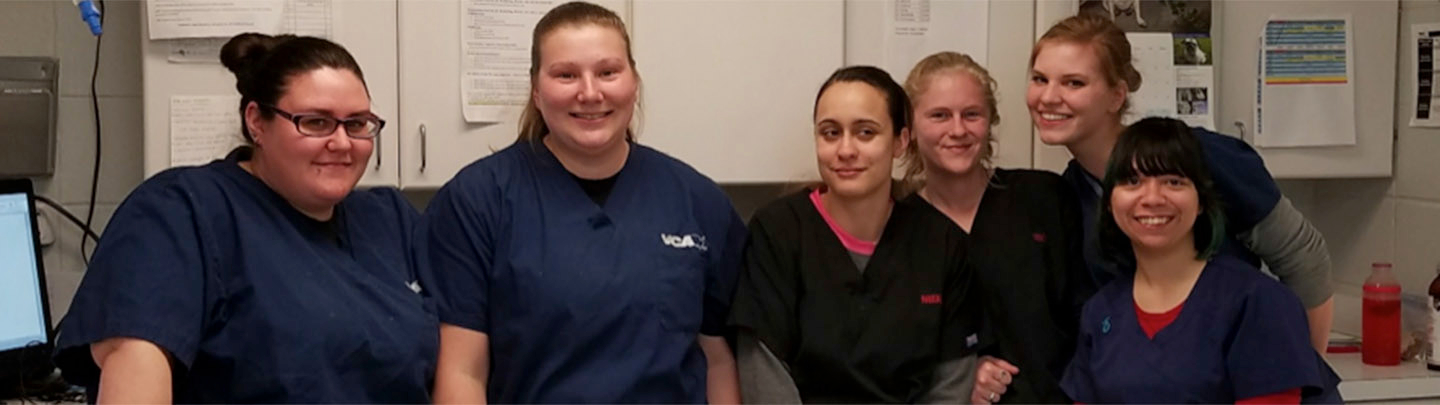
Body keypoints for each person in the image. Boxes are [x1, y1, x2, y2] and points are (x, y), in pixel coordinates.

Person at [52, 33, 436, 403]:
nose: (341, 142)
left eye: (357, 124)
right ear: (257, 122)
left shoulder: (390, 219)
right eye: (315, 122)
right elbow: (135, 366)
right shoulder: (181, 212)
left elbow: (456, 358)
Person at [422, 2, 744, 403]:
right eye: (566, 75)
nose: (590, 93)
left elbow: (718, 361)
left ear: (634, 82)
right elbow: (462, 372)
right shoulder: (477, 202)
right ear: (536, 91)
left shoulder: (697, 201)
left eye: (608, 72)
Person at [1025, 15, 1333, 351]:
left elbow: (1304, 257)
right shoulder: (1071, 193)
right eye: (1040, 79)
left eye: (1073, 83)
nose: (1048, 97)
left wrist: (1308, 370)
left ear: (1116, 96)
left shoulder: (1198, 155)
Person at [729, 65, 981, 403]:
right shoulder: (779, 232)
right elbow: (763, 369)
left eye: (865, 133)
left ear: (900, 141)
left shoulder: (941, 243)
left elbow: (952, 381)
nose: (846, 150)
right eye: (830, 133)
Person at [1059, 117, 1340, 404]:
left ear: (1201, 201)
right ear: (1110, 202)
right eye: (1133, 182)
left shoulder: (1257, 303)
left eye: (1173, 182)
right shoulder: (1101, 313)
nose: (1152, 198)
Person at [899, 52, 1089, 404]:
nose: (958, 130)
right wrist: (960, 371)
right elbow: (893, 348)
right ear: (908, 129)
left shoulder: (1043, 196)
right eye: (940, 115)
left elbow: (1087, 312)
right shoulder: (898, 229)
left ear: (990, 122)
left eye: (972, 114)